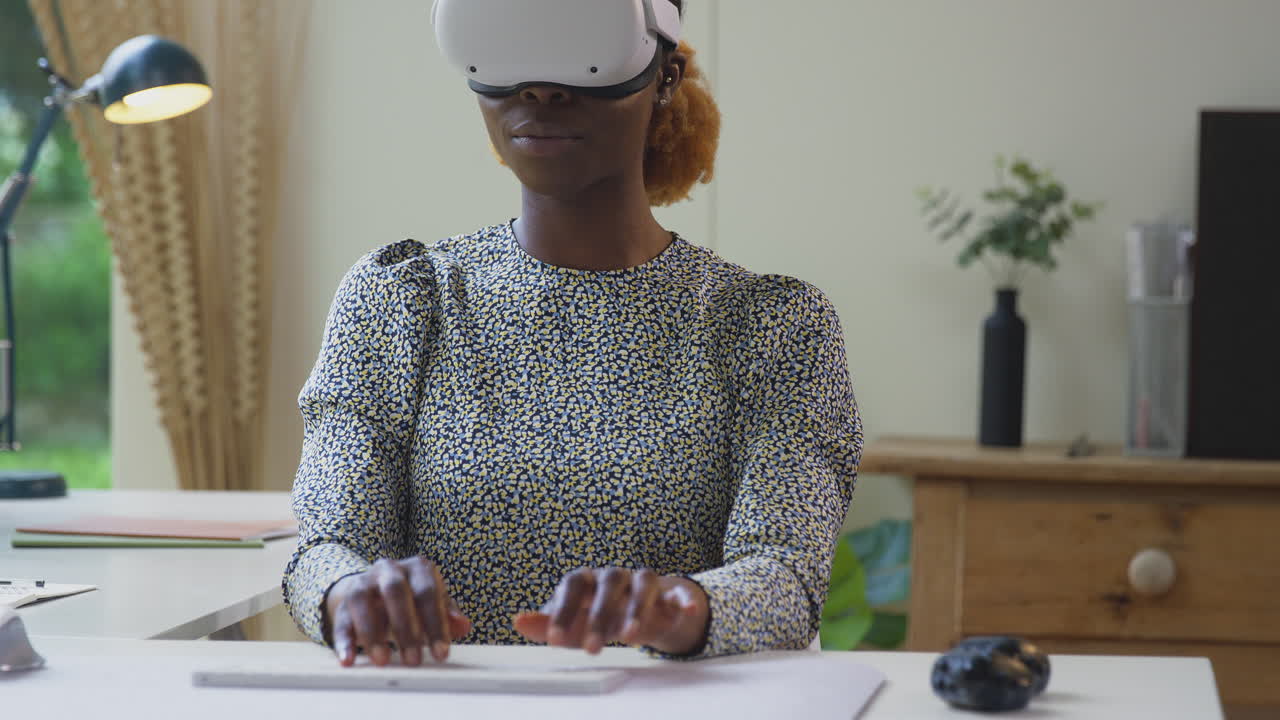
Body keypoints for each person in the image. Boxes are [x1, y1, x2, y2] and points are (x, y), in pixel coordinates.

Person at [282, 0, 863, 667]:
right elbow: (325, 545)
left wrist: (677, 609)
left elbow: (785, 577)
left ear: (666, 76)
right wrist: (347, 592)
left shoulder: (770, 326)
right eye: (512, 50)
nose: (541, 89)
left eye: (581, 49)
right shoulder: (400, 302)